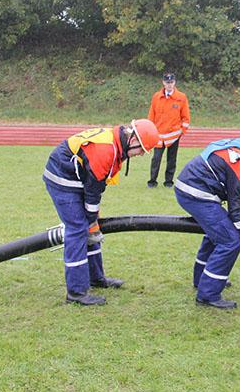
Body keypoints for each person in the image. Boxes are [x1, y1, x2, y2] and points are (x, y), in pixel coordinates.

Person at [43, 119, 161, 305]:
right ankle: (76, 292)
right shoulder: (106, 150)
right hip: (63, 179)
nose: (141, 155)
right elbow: (93, 191)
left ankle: (96, 278)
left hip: (76, 177)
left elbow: (95, 187)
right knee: (78, 230)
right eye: (142, 150)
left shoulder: (116, 144)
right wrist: (91, 219)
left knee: (92, 226)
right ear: (133, 140)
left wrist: (93, 220)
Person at [174, 137, 240, 310]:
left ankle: (202, 280)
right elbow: (237, 214)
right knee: (231, 240)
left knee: (217, 234)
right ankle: (208, 295)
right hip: (197, 194)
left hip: (191, 188)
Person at [147, 72, 190, 189]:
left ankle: (168, 182)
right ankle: (152, 181)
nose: (169, 85)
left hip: (174, 135)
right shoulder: (156, 96)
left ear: (174, 82)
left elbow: (186, 116)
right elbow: (151, 114)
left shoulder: (181, 97)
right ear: (163, 83)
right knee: (156, 158)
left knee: (172, 159)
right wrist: (150, 129)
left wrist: (182, 130)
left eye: (171, 82)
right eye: (167, 82)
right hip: (159, 134)